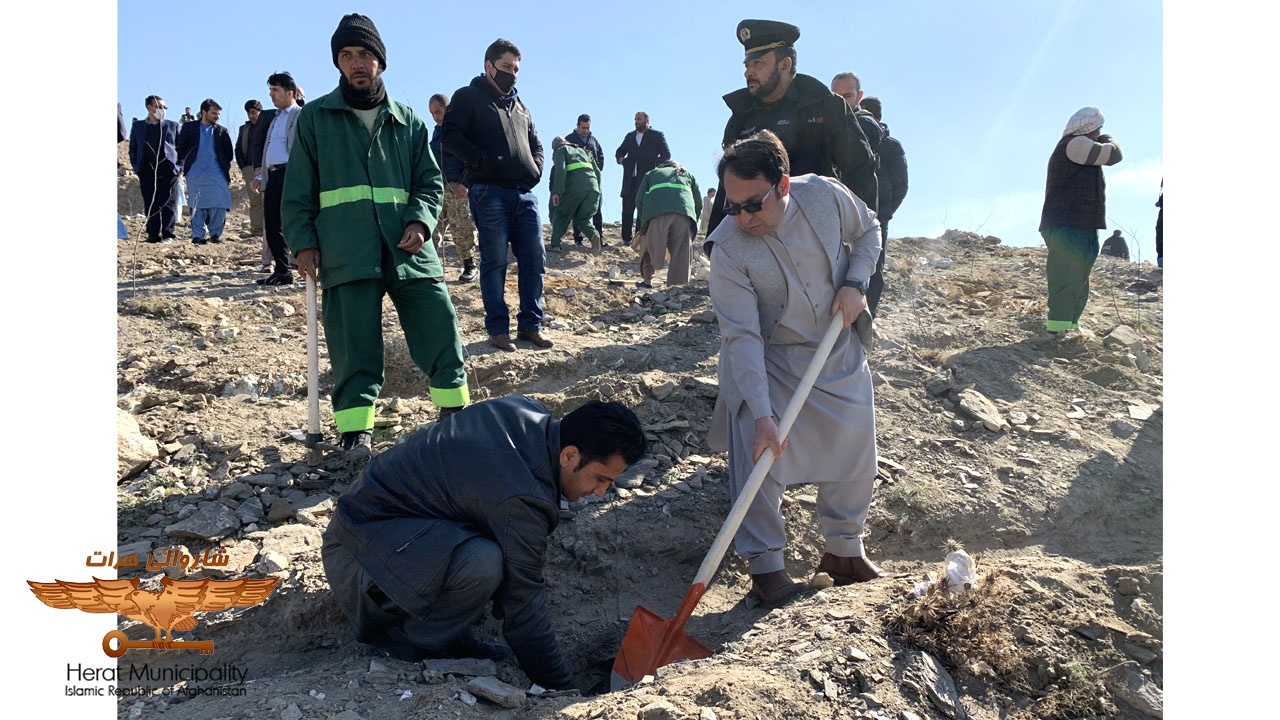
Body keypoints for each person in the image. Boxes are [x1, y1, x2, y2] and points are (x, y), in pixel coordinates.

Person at [322, 396, 646, 690]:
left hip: (380, 532)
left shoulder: (527, 412)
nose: (602, 492)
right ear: (570, 455)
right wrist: (564, 692)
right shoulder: (521, 494)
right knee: (484, 563)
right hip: (358, 557)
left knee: (491, 550)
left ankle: (450, 637)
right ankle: (411, 643)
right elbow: (523, 608)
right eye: (601, 479)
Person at [706, 130, 882, 606]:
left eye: (753, 204)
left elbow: (869, 231)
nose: (742, 217)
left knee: (855, 443)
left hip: (835, 343)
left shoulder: (824, 195)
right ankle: (767, 568)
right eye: (732, 206)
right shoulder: (727, 251)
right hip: (772, 355)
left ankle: (844, 550)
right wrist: (763, 414)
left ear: (783, 186)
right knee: (759, 452)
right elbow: (740, 337)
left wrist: (855, 282)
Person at [282, 13, 470, 453]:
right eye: (346, 56)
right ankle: (354, 432)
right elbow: (297, 192)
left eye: (364, 54)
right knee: (352, 344)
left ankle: (455, 415)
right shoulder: (315, 118)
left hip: (409, 249)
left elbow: (429, 181)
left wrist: (421, 221)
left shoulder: (408, 121)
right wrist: (304, 243)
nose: (356, 63)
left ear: (380, 61)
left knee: (439, 326)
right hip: (345, 249)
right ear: (338, 64)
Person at [707, 20, 877, 235]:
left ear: (785, 64)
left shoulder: (824, 106)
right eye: (747, 66)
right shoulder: (740, 118)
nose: (748, 72)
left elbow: (860, 171)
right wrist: (715, 240)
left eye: (758, 64)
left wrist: (861, 240)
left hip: (815, 237)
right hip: (756, 239)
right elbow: (728, 185)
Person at [442, 38, 551, 352]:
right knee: (494, 262)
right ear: (489, 66)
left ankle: (530, 326)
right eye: (506, 67)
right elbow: (450, 135)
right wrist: (481, 161)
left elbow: (538, 146)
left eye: (516, 69)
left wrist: (535, 169)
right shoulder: (468, 97)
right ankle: (498, 330)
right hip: (489, 192)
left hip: (524, 195)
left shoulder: (521, 107)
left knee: (535, 260)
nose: (512, 74)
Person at [1038, 106, 1122, 334]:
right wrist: (1107, 138)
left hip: (1080, 223)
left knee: (1079, 275)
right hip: (1068, 223)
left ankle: (1070, 326)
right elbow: (1114, 155)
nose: (1100, 133)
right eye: (1098, 129)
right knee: (1067, 275)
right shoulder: (1075, 144)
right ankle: (1058, 331)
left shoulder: (1077, 145)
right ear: (1091, 128)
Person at [251, 72, 304, 285]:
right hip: (272, 176)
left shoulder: (301, 115)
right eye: (270, 91)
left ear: (289, 92)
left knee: (294, 221)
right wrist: (259, 175)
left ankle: (304, 265)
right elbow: (268, 148)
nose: (271, 95)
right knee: (272, 224)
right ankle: (282, 270)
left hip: (291, 175)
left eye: (276, 91)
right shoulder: (274, 119)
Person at [858, 96, 908, 317]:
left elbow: (901, 184)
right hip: (852, 214)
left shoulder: (890, 146)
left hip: (878, 217)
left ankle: (867, 318)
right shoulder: (851, 140)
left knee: (874, 270)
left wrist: (886, 211)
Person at [428, 93, 479, 283]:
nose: (436, 117)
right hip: (438, 187)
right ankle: (432, 268)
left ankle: (470, 266)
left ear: (447, 109)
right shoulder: (436, 133)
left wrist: (465, 183)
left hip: (458, 187)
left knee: (462, 227)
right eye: (432, 113)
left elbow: (472, 158)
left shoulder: (461, 130)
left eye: (438, 112)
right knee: (433, 228)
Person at [633, 160, 701, 287]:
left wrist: (644, 221)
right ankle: (677, 287)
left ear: (662, 166)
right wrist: (692, 221)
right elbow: (698, 202)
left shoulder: (652, 173)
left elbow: (639, 199)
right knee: (681, 252)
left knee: (648, 245)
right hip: (683, 214)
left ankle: (647, 281)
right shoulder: (687, 175)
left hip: (656, 213)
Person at [176, 98, 234, 245]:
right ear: (204, 112)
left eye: (219, 114)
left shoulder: (221, 131)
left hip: (217, 174)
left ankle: (215, 234)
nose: (217, 116)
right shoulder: (190, 128)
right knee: (197, 205)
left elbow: (228, 153)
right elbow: (181, 147)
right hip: (195, 174)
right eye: (214, 113)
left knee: (219, 205)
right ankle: (198, 235)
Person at [128, 95, 181, 243]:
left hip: (168, 171)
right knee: (151, 203)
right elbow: (133, 148)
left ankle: (168, 234)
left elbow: (180, 148)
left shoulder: (172, 125)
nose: (162, 110)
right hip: (147, 171)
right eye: (159, 107)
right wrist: (136, 166)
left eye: (164, 107)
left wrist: (178, 167)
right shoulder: (138, 127)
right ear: (149, 107)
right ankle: (152, 234)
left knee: (168, 204)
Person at [615, 112, 670, 248]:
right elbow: (620, 151)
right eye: (635, 119)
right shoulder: (630, 136)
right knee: (627, 209)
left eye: (639, 119)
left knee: (643, 210)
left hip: (646, 179)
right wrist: (622, 160)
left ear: (647, 120)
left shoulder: (657, 135)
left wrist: (654, 165)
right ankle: (626, 239)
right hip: (630, 179)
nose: (636, 122)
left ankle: (640, 239)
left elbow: (666, 154)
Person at [548, 137, 602, 253]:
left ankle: (555, 244)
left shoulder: (561, 150)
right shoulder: (584, 152)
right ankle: (594, 235)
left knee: (561, 214)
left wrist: (557, 191)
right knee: (582, 218)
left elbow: (560, 172)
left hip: (574, 187)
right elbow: (597, 172)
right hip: (593, 188)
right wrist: (597, 190)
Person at [564, 114, 605, 246]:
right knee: (578, 209)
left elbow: (601, 157)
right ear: (577, 126)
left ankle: (599, 238)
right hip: (576, 182)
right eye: (583, 128)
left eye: (587, 128)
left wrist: (596, 169)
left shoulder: (593, 140)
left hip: (593, 181)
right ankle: (578, 239)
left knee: (597, 209)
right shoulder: (569, 140)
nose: (585, 130)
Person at [235, 99, 266, 240]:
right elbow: (238, 148)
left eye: (253, 112)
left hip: (266, 167)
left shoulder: (268, 126)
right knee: (254, 200)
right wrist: (243, 166)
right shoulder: (245, 129)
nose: (251, 116)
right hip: (249, 168)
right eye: (249, 113)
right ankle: (257, 229)